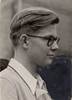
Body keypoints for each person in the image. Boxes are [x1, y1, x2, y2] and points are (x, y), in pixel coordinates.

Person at [0, 7, 60, 100]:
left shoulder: (38, 84)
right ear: (25, 41)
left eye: (56, 40)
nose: (56, 47)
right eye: (49, 39)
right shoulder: (6, 83)